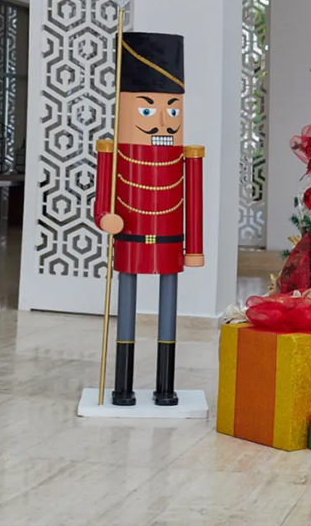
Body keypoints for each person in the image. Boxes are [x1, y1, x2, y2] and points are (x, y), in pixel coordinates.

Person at [94, 32, 203, 406]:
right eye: (146, 110)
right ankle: (122, 386)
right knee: (126, 308)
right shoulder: (112, 152)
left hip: (171, 241)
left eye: (172, 110)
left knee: (167, 313)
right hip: (130, 241)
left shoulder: (188, 155)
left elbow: (195, 201)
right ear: (125, 109)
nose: (162, 121)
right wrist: (105, 217)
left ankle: (165, 386)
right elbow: (102, 200)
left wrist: (195, 247)